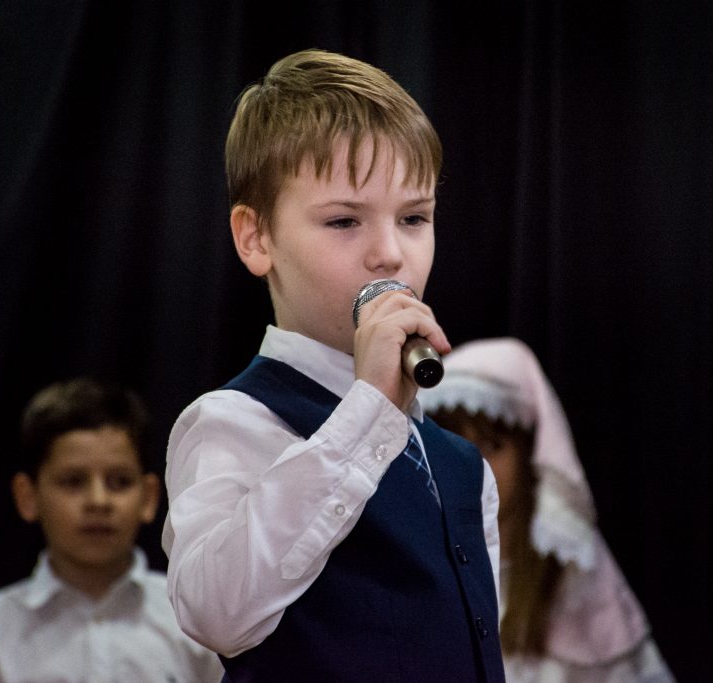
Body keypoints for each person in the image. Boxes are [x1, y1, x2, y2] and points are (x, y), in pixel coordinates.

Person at [161, 48, 505, 681]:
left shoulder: (460, 464)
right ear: (256, 238)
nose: (389, 253)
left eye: (414, 217)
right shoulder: (234, 421)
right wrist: (367, 409)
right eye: (344, 220)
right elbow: (213, 612)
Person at [418, 337, 675, 683]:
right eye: (457, 444)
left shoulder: (574, 575)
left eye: (492, 445)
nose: (473, 464)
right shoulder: (427, 559)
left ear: (527, 455)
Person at [0, 377, 223, 683]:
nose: (98, 501)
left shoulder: (192, 621)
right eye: (73, 481)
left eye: (119, 482)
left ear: (149, 497)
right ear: (28, 496)